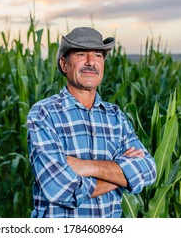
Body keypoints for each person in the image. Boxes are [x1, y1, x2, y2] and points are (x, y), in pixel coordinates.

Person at [27, 27, 156, 218]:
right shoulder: (44, 114)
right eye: (81, 54)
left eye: (97, 55)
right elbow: (60, 188)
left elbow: (148, 170)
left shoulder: (115, 116)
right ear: (64, 64)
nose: (90, 62)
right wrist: (122, 176)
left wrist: (88, 167)